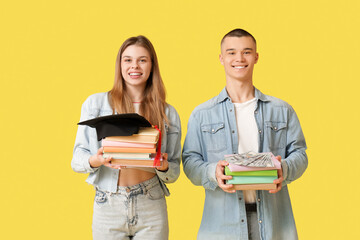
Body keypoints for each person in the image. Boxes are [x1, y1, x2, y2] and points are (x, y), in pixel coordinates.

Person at [182, 28, 307, 240]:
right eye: (231, 52)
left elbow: (300, 154)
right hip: (222, 227)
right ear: (221, 58)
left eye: (246, 52)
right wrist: (214, 172)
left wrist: (283, 168)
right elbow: (189, 161)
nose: (239, 58)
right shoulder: (202, 114)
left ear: (256, 57)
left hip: (274, 223)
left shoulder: (282, 110)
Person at [72, 35, 181, 240]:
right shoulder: (95, 104)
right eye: (128, 59)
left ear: (151, 65)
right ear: (120, 64)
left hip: (151, 202)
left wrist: (164, 166)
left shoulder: (167, 112)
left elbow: (174, 172)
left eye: (142, 60)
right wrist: (96, 160)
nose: (135, 66)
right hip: (108, 203)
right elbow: (76, 159)